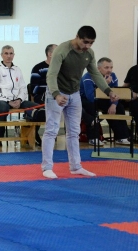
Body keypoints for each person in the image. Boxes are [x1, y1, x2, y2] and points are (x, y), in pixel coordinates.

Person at [41, 26, 117, 179]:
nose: (88, 46)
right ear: (77, 37)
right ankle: (47, 167)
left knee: (74, 132)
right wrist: (56, 94)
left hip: (74, 93)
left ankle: (76, 166)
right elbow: (51, 75)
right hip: (57, 92)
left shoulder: (89, 53)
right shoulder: (62, 50)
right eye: (85, 42)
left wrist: (108, 91)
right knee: (51, 130)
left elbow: (95, 73)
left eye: (91, 43)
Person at [0, 45, 36, 147]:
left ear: (14, 55)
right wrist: (8, 101)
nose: (9, 56)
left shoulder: (17, 70)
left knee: (36, 107)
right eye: (6, 53)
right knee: (3, 108)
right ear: (1, 55)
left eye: (11, 53)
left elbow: (23, 88)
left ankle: (30, 137)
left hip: (17, 100)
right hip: (1, 100)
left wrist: (19, 99)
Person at [80, 57, 131, 146]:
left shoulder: (113, 76)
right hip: (86, 99)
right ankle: (93, 138)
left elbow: (115, 92)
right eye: (106, 67)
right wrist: (104, 84)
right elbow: (90, 96)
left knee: (119, 107)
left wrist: (113, 105)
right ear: (98, 68)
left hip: (103, 98)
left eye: (111, 67)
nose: (109, 70)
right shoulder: (88, 77)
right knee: (91, 106)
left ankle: (121, 137)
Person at [30, 44, 57, 145]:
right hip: (42, 96)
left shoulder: (62, 67)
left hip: (59, 96)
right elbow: (34, 88)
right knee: (42, 110)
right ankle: (35, 135)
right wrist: (50, 91)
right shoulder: (38, 68)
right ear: (50, 54)